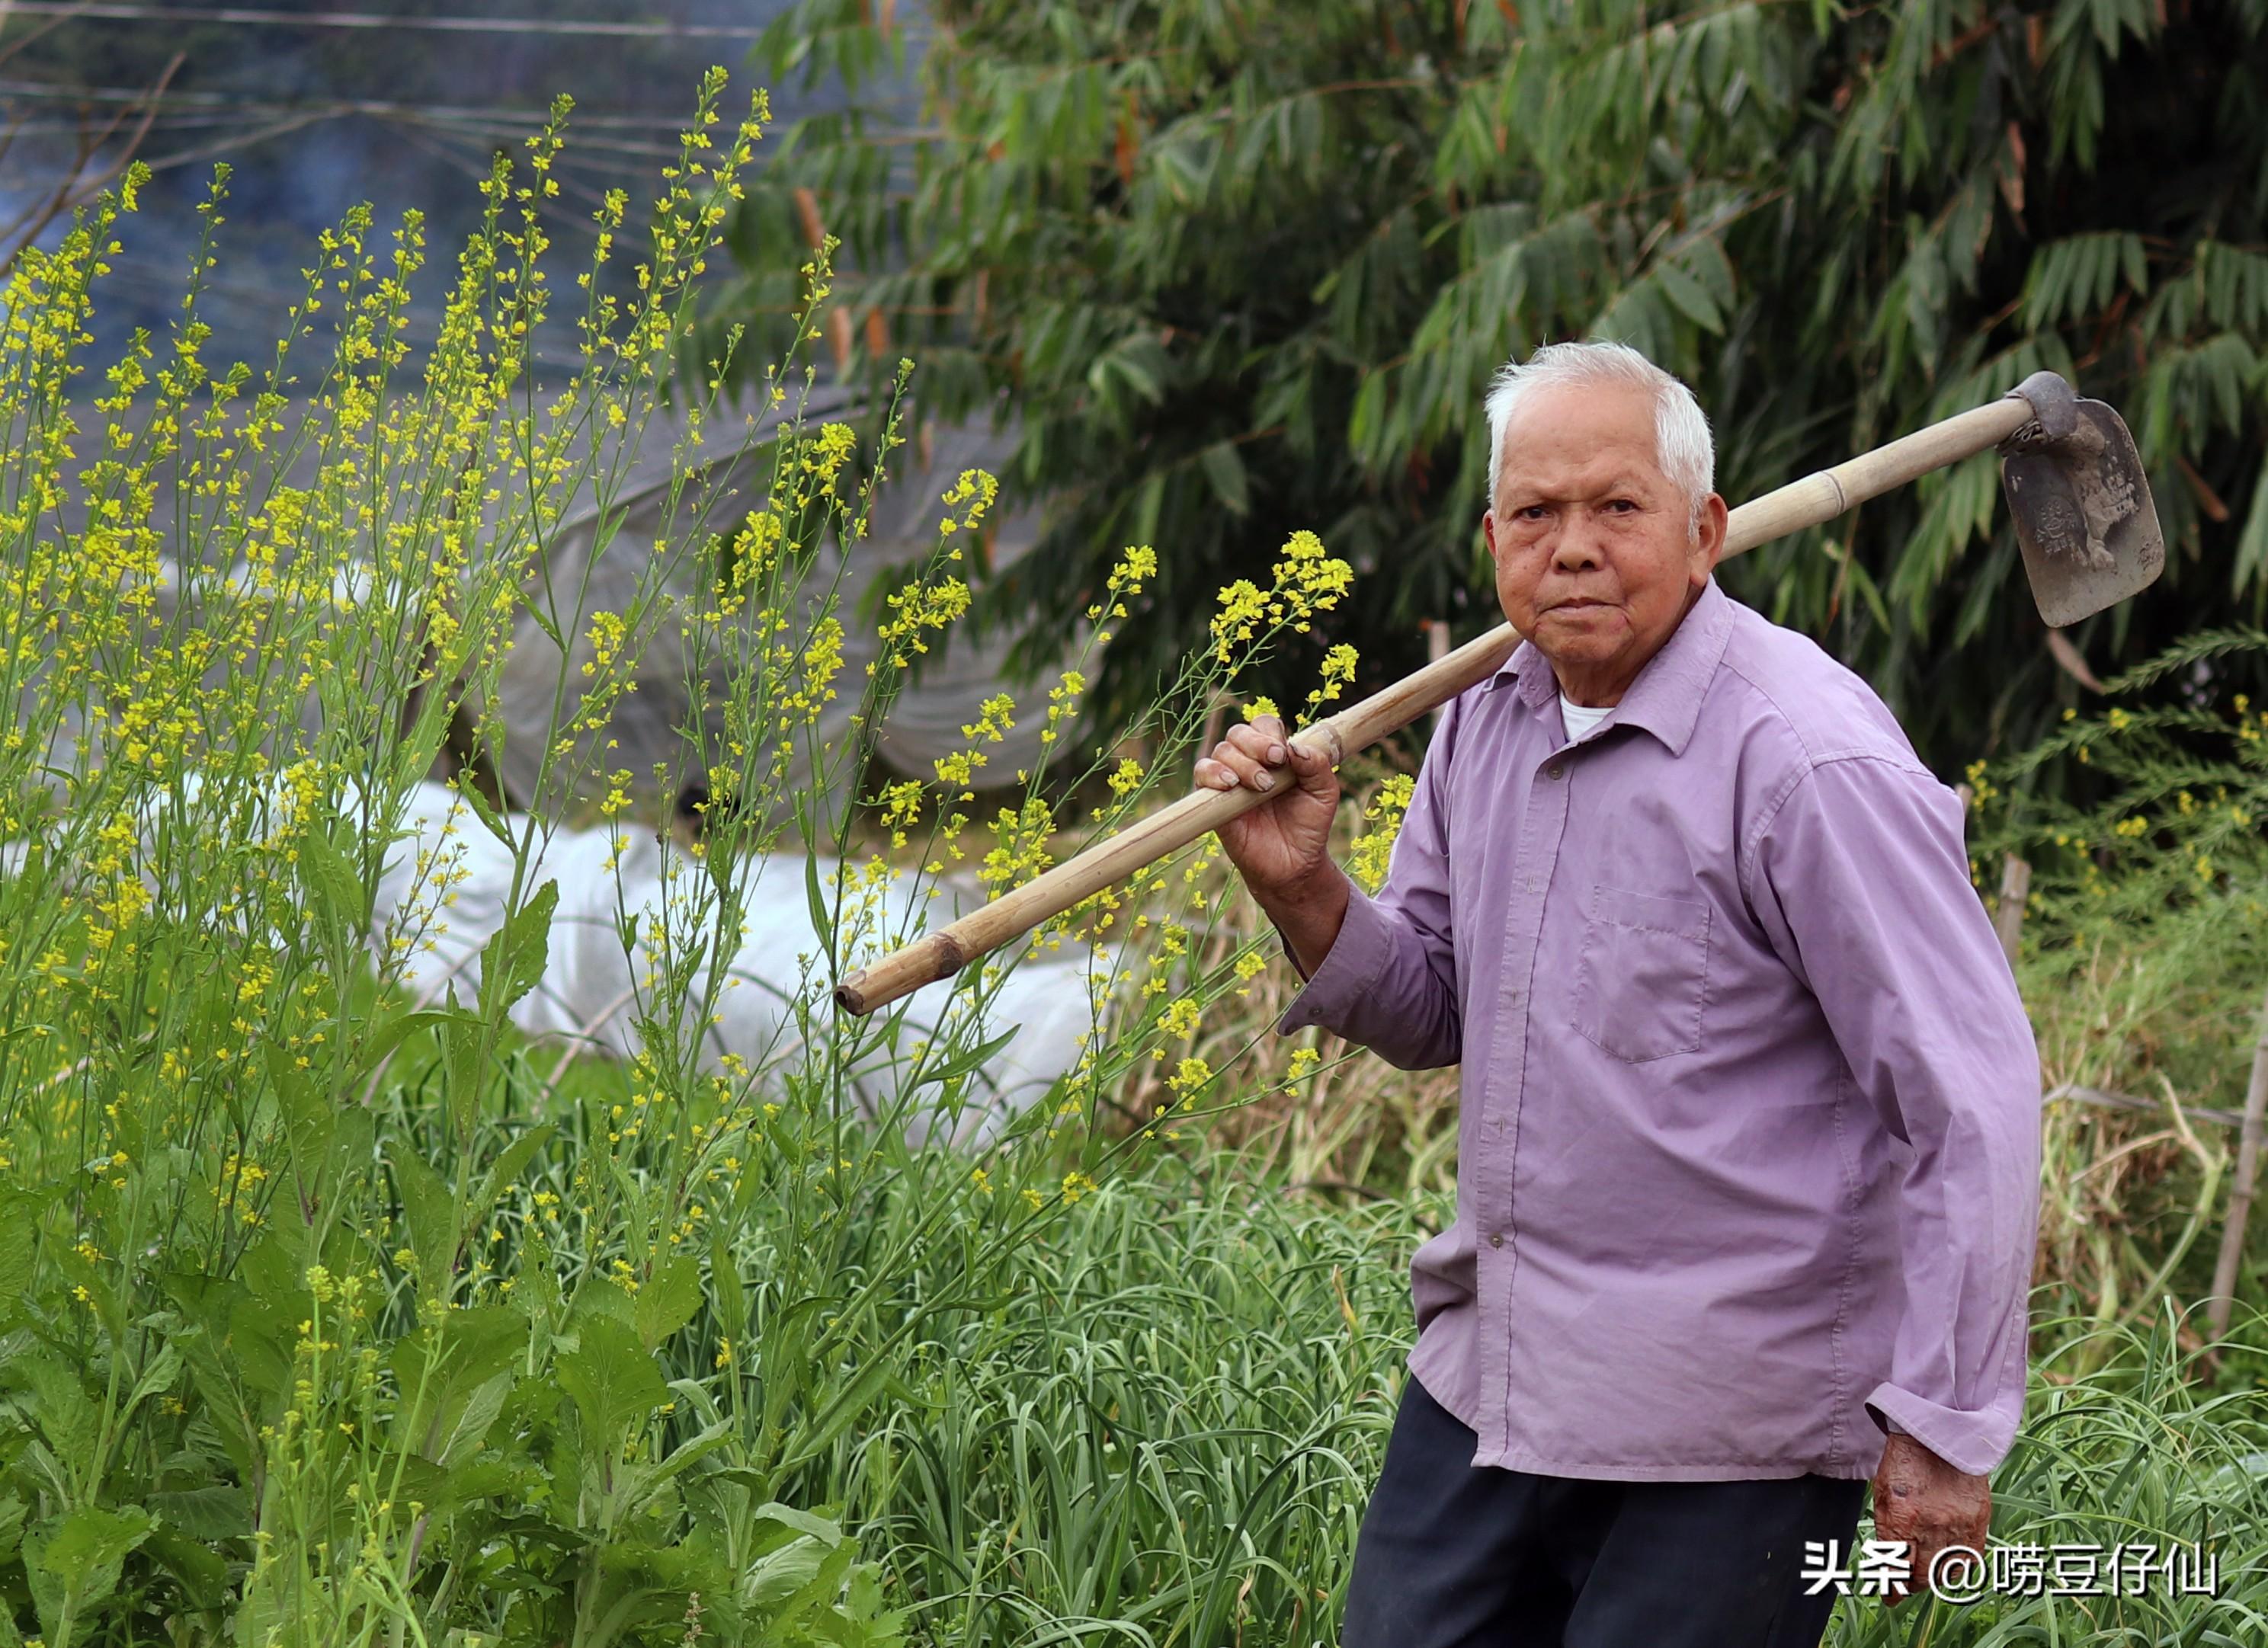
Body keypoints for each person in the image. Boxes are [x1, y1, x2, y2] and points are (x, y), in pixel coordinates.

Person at [1195, 341, 2042, 1646]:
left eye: (1617, 509)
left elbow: (1969, 1100)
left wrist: (1945, 1425)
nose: (1573, 548)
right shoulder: (1491, 719)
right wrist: (1304, 890)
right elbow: (1432, 1009)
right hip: (1491, 1385)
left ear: (1704, 533)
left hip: (1727, 1438)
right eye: (1537, 515)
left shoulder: (1808, 763)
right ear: (1492, 539)